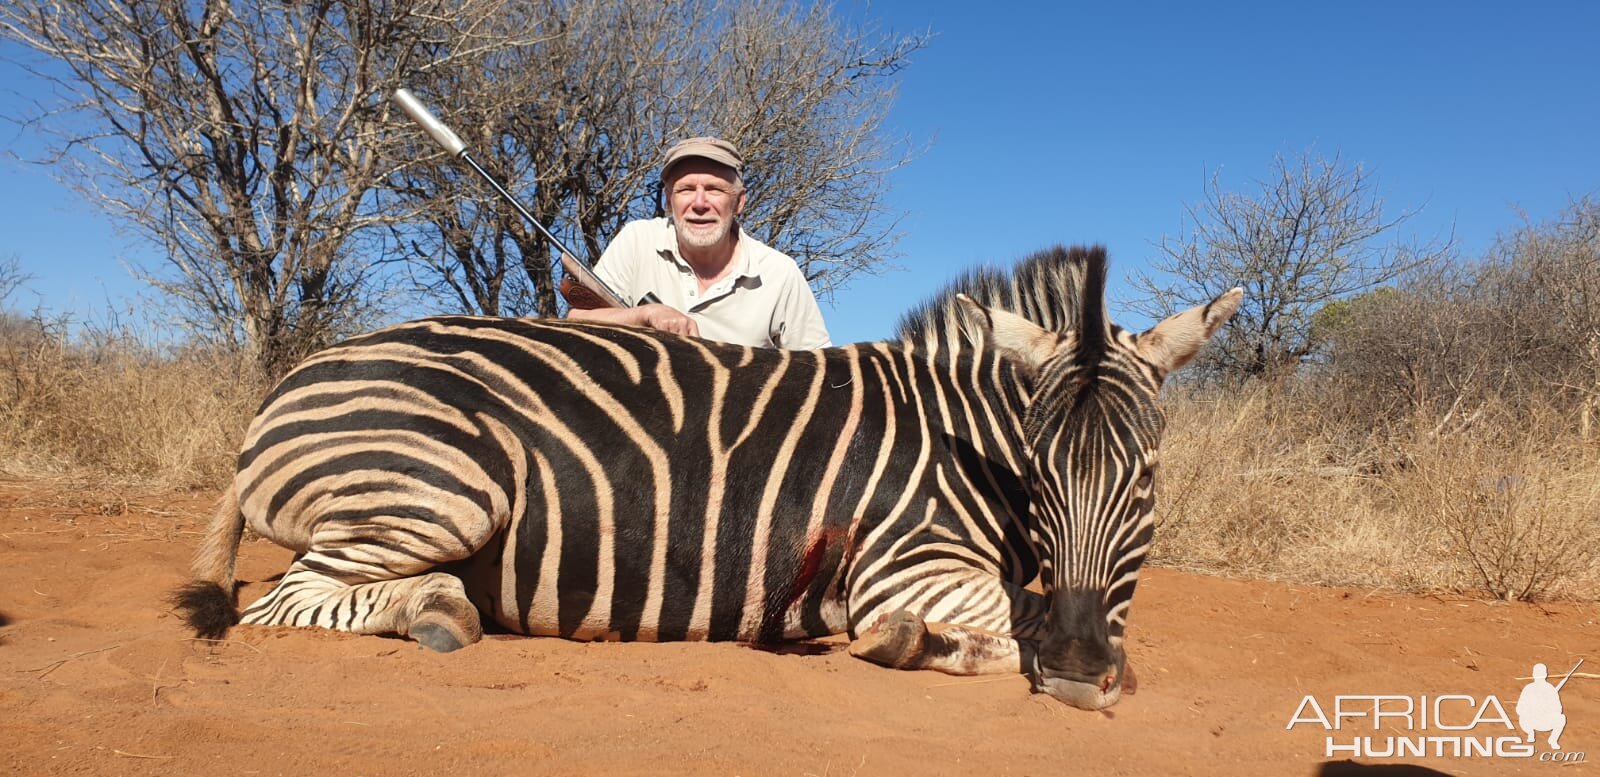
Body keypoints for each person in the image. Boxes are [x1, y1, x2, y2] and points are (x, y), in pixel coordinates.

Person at [565, 137, 832, 350]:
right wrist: (645, 315)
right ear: (669, 201)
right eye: (686, 189)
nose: (700, 203)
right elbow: (575, 321)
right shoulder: (637, 239)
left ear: (739, 202)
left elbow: (820, 370)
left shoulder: (780, 272)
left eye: (714, 189)